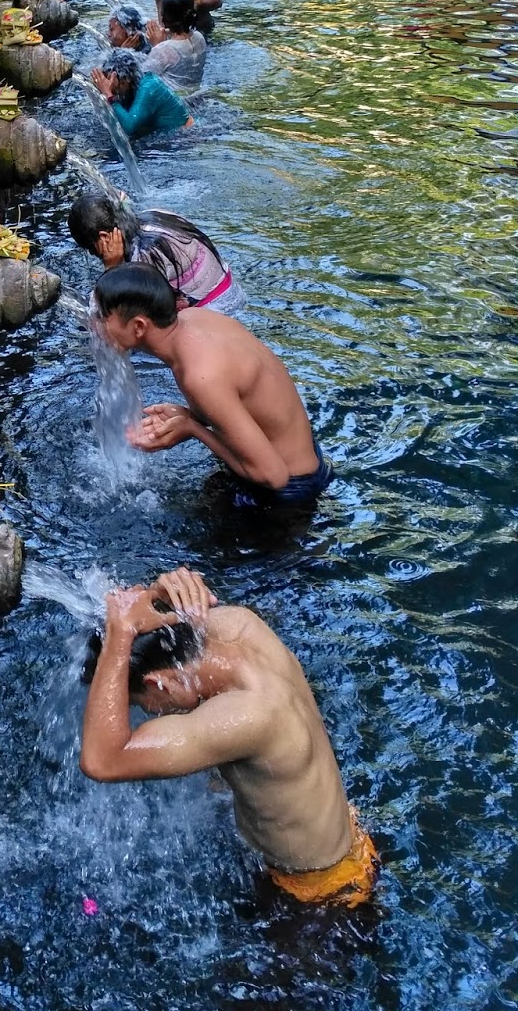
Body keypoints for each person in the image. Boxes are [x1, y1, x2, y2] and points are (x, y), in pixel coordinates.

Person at [79, 565, 379, 907]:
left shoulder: (244, 717)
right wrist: (159, 598)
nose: (150, 712)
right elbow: (174, 624)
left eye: (142, 705)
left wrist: (120, 636)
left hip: (322, 897)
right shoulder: (240, 625)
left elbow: (102, 760)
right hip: (352, 840)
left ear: (159, 683)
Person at [92, 264, 333, 504]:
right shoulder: (197, 318)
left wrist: (192, 429)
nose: (93, 325)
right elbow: (241, 398)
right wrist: (191, 416)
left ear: (138, 327)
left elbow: (273, 476)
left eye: (101, 317)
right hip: (304, 455)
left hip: (290, 489)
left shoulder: (200, 376)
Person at [68, 192, 243, 312]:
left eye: (91, 248)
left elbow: (103, 313)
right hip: (233, 292)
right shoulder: (154, 215)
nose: (92, 254)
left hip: (216, 313)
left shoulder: (143, 258)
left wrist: (112, 269)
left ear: (104, 237)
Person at [91, 49, 191, 141]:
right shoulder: (133, 87)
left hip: (184, 136)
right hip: (164, 134)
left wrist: (109, 95)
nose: (109, 85)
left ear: (126, 79)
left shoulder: (149, 87)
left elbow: (129, 126)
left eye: (111, 80)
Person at [145, 0, 208, 85]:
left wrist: (157, 45)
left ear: (163, 18)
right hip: (198, 96)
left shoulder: (163, 50)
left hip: (172, 99)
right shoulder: (200, 38)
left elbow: (145, 82)